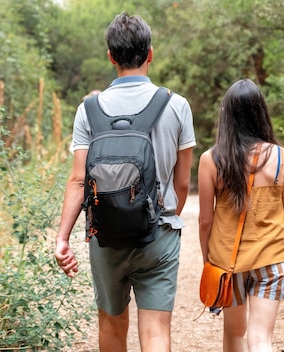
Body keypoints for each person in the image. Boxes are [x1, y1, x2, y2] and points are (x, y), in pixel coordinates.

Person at [54, 12, 195, 352]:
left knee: (112, 325)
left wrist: (62, 238)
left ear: (110, 56)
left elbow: (77, 181)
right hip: (158, 235)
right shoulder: (177, 106)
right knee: (157, 331)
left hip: (105, 237)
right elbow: (182, 183)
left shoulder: (88, 109)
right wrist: (163, 217)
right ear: (150, 53)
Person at [197, 78, 284, 352]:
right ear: (261, 113)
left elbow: (206, 221)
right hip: (272, 258)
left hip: (229, 261)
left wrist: (208, 260)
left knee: (234, 334)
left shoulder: (211, 159)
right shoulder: (280, 156)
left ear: (226, 115)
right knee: (261, 339)